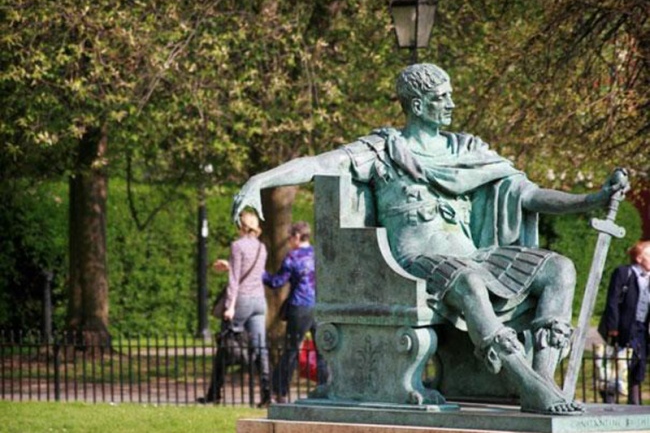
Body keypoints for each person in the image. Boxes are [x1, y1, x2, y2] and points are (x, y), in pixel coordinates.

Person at [230, 63, 628, 415]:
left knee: (559, 268)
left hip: (475, 257)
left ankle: (540, 381)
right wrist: (259, 181)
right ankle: (525, 381)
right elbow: (319, 164)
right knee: (469, 281)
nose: (452, 104)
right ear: (417, 105)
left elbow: (528, 194)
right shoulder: (383, 151)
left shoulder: (467, 150)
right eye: (442, 97)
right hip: (412, 262)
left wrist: (591, 199)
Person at [198, 211, 271, 407]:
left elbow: (234, 281)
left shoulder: (237, 246)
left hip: (242, 301)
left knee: (225, 345)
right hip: (259, 301)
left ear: (241, 226)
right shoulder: (261, 247)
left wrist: (230, 306)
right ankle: (267, 394)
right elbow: (255, 273)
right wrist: (230, 265)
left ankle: (214, 393)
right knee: (261, 348)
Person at [263, 221, 329, 403]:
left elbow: (276, 282)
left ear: (297, 237)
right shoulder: (319, 254)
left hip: (300, 307)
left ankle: (279, 392)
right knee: (322, 350)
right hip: (319, 307)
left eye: (289, 238)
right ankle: (325, 388)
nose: (289, 242)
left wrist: (259, 273)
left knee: (291, 350)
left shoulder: (293, 257)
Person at [599, 240, 650, 404]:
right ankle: (610, 402)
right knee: (617, 364)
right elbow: (612, 301)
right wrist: (613, 327)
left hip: (642, 327)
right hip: (624, 326)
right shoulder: (624, 272)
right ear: (639, 258)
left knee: (638, 364)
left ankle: (634, 403)